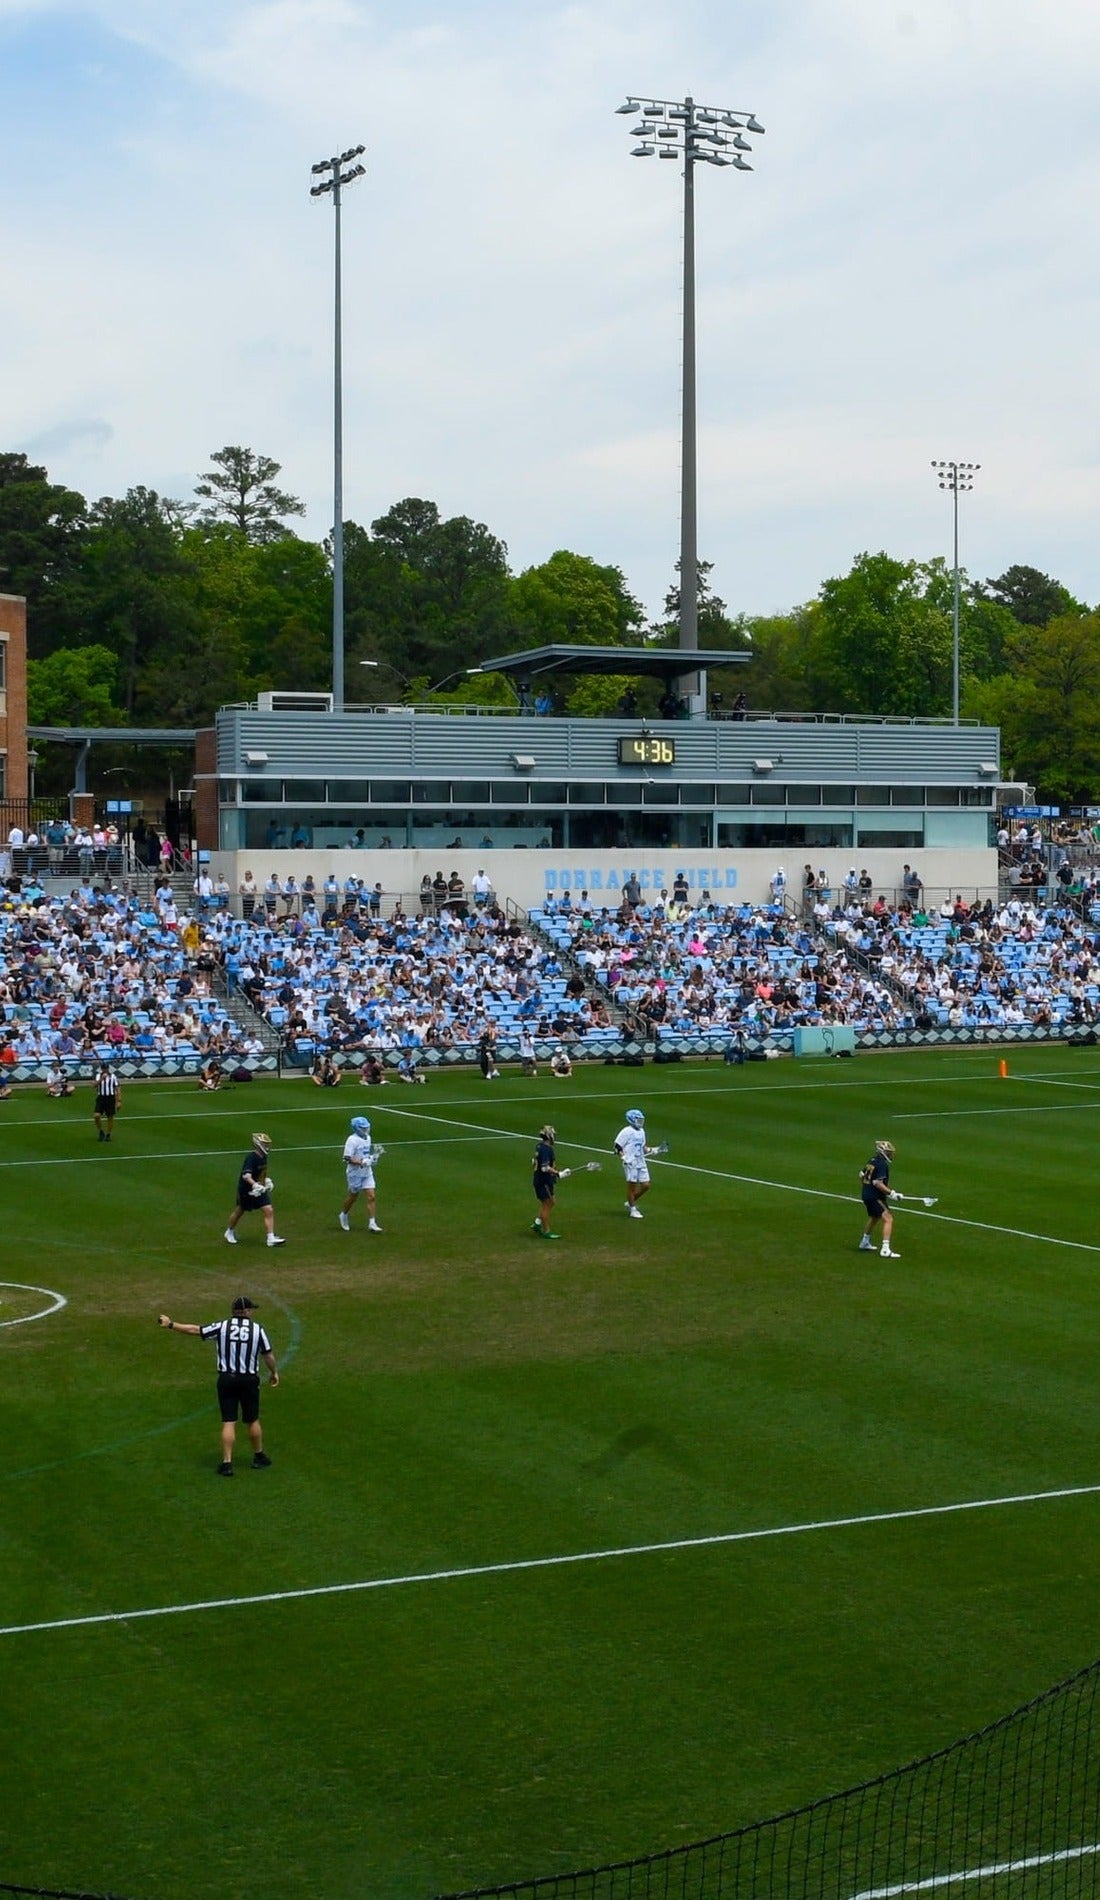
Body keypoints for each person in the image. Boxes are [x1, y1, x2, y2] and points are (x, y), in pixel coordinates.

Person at [157, 1294, 278, 1476]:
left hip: (227, 1378)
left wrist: (171, 1324)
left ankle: (227, 1463)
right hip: (249, 1380)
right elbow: (268, 1355)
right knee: (252, 1419)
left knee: (229, 1421)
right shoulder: (257, 1330)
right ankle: (258, 1456)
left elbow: (196, 1330)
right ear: (246, 1311)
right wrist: (274, 1372)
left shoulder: (222, 1327)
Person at [225, 1133, 285, 1248]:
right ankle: (229, 1231)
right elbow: (246, 1175)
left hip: (259, 1189)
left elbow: (261, 1173)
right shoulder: (251, 1158)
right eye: (265, 1144)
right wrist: (255, 1185)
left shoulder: (264, 1157)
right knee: (240, 1211)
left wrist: (266, 1181)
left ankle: (270, 1238)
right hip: (247, 1190)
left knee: (268, 1210)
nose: (267, 1146)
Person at [339, 1114, 384, 1233]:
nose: (366, 1130)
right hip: (355, 1173)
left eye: (366, 1127)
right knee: (353, 1197)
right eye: (363, 1128)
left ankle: (372, 1223)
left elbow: (365, 1154)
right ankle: (344, 1214)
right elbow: (347, 1158)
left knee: (371, 1196)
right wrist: (362, 1162)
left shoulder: (368, 1138)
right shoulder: (352, 1140)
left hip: (367, 1172)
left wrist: (374, 1157)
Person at [859, 1139, 901, 1259]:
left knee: (875, 1217)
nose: (891, 1154)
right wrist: (891, 1193)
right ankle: (885, 1249)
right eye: (888, 1152)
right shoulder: (882, 1164)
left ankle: (864, 1242)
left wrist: (866, 1187)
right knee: (888, 1218)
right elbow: (878, 1183)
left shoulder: (872, 1160)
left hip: (867, 1194)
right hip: (875, 1196)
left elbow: (861, 1175)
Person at [614, 1107, 654, 1220]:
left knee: (646, 1185)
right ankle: (632, 1209)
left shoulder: (642, 1131)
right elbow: (617, 1147)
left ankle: (630, 1202)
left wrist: (652, 1150)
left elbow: (643, 1147)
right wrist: (624, 1158)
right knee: (632, 1187)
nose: (640, 1122)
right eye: (638, 1120)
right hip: (631, 1163)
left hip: (641, 1161)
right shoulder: (626, 1131)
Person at [531, 1124, 561, 1239]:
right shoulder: (547, 1149)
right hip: (544, 1181)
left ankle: (537, 1223)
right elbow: (544, 1168)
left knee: (550, 1202)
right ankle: (546, 1230)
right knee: (548, 1203)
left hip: (540, 1180)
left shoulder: (539, 1146)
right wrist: (557, 1173)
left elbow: (535, 1162)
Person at [93, 1060, 121, 1142]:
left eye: (106, 1068)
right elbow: (94, 1085)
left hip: (110, 1098)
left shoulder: (113, 1076)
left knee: (110, 1117)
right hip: (101, 1098)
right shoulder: (98, 1076)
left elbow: (117, 1088)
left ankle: (108, 1134)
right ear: (101, 1069)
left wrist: (119, 1101)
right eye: (103, 1068)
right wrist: (101, 1079)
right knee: (96, 1116)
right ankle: (101, 1131)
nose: (105, 1070)